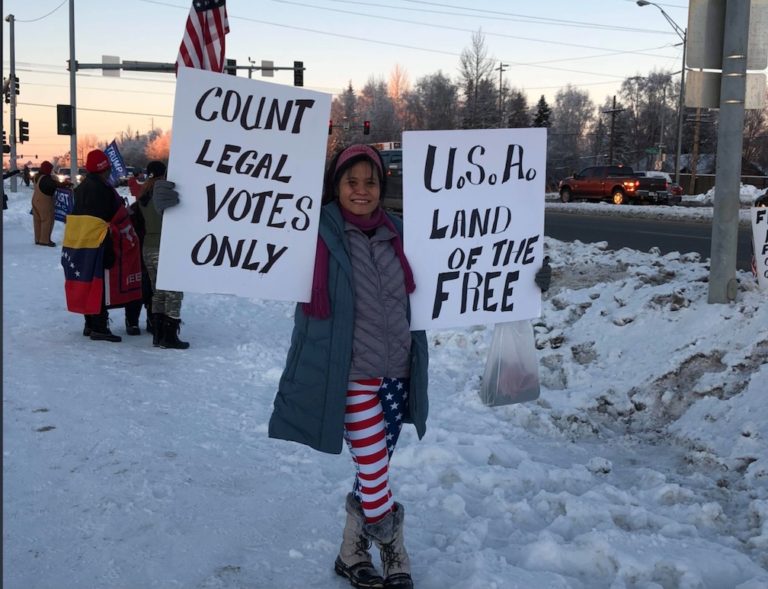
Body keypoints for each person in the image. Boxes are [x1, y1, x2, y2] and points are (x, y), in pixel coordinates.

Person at [69, 149, 142, 342]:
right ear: (104, 169)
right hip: (100, 241)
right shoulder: (102, 189)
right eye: (108, 168)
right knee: (98, 283)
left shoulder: (82, 188)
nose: (110, 172)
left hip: (81, 240)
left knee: (88, 281)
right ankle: (100, 327)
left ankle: (90, 323)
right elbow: (108, 217)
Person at [135, 160, 190, 350]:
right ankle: (170, 336)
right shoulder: (164, 196)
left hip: (148, 248)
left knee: (157, 291)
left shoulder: (143, 197)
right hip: (165, 247)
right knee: (174, 291)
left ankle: (158, 335)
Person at [31, 161, 61, 247]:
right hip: (44, 201)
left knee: (37, 221)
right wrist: (63, 184)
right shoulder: (46, 178)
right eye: (50, 169)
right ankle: (44, 240)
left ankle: (37, 239)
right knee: (47, 220)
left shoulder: (37, 176)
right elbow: (53, 185)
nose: (51, 171)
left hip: (35, 200)